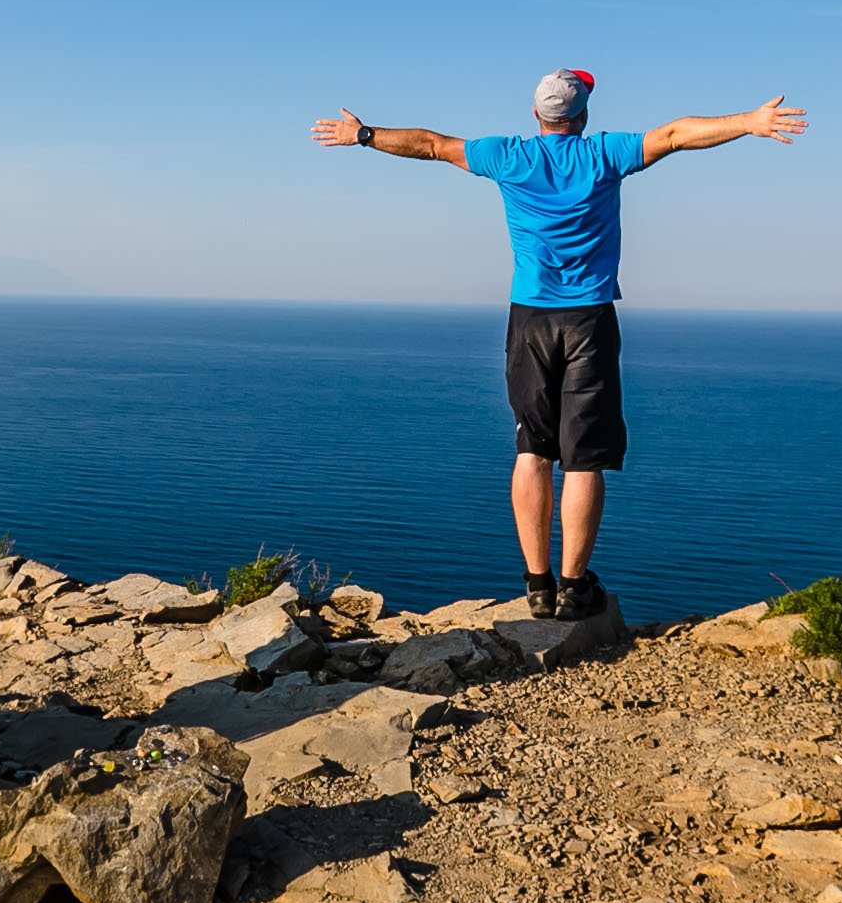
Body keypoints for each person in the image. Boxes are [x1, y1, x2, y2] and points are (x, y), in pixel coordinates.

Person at [310, 70, 807, 618]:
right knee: (584, 460)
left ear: (536, 116)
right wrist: (750, 122)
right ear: (584, 114)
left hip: (529, 321)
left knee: (532, 451)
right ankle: (575, 588)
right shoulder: (604, 153)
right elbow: (674, 134)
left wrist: (363, 135)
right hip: (589, 320)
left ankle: (538, 586)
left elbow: (430, 145)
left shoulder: (508, 157)